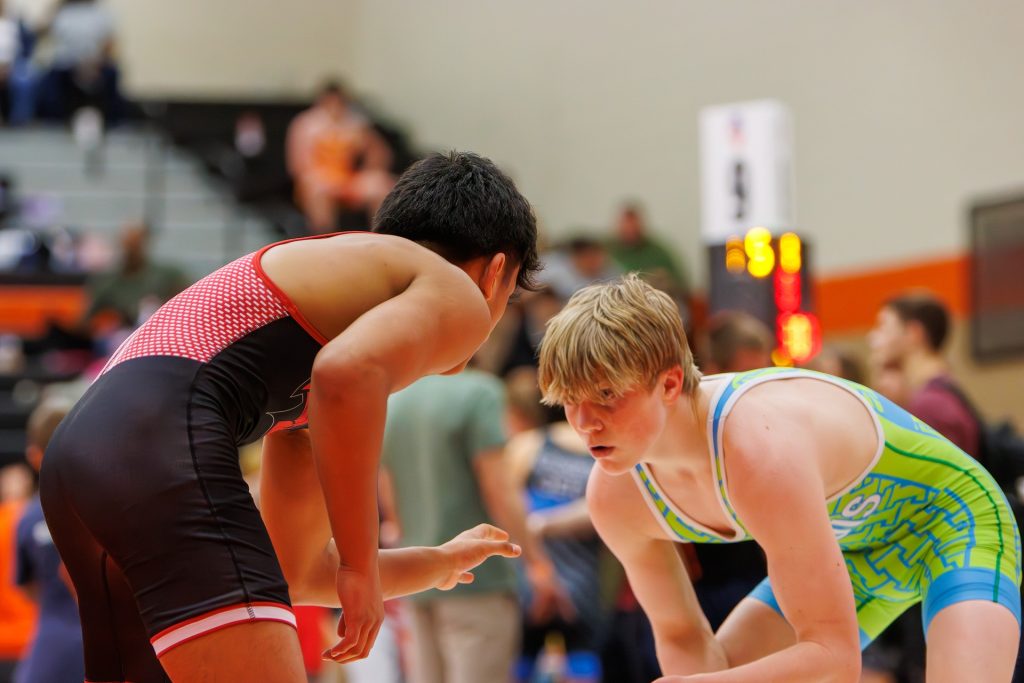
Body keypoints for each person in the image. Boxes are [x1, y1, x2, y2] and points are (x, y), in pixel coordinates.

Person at [40, 151, 540, 683]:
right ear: (496, 273)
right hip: (158, 441)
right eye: (506, 303)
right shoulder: (452, 292)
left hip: (80, 455)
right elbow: (346, 375)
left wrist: (435, 564)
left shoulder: (318, 330)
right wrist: (358, 567)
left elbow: (297, 573)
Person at [537, 274, 1021, 682]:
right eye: (569, 400)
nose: (584, 423)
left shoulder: (757, 447)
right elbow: (683, 638)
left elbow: (835, 660)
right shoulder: (615, 495)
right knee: (726, 668)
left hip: (951, 521)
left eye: (604, 395)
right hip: (849, 545)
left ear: (668, 384)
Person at [380, 367, 569, 683]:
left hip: (415, 579)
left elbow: (386, 487)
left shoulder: (396, 400)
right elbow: (500, 490)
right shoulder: (481, 393)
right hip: (478, 580)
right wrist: (538, 564)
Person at [14, 396, 83, 683]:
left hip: (51, 648)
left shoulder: (28, 517)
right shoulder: (111, 505)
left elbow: (27, 586)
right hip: (111, 647)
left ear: (33, 455)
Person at [286, 80, 395, 233]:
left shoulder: (355, 123)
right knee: (317, 189)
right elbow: (297, 165)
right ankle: (323, 238)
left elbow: (380, 153)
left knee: (380, 184)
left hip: (348, 178)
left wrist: (370, 169)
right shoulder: (306, 124)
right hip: (320, 179)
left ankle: (382, 236)